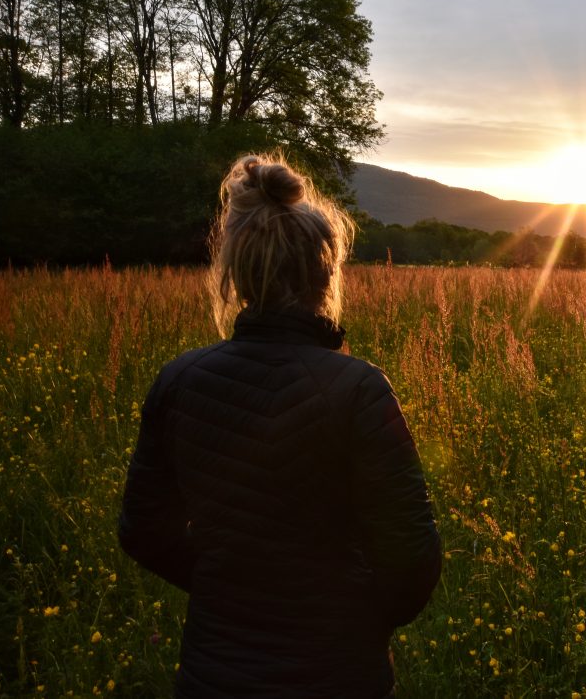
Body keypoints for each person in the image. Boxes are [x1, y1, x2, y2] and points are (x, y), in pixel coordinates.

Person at [118, 154, 441, 698]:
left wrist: (224, 586)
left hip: (213, 675)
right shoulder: (359, 389)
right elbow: (412, 559)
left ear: (236, 273)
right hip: (340, 675)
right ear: (325, 273)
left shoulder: (178, 380)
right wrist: (355, 617)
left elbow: (143, 531)